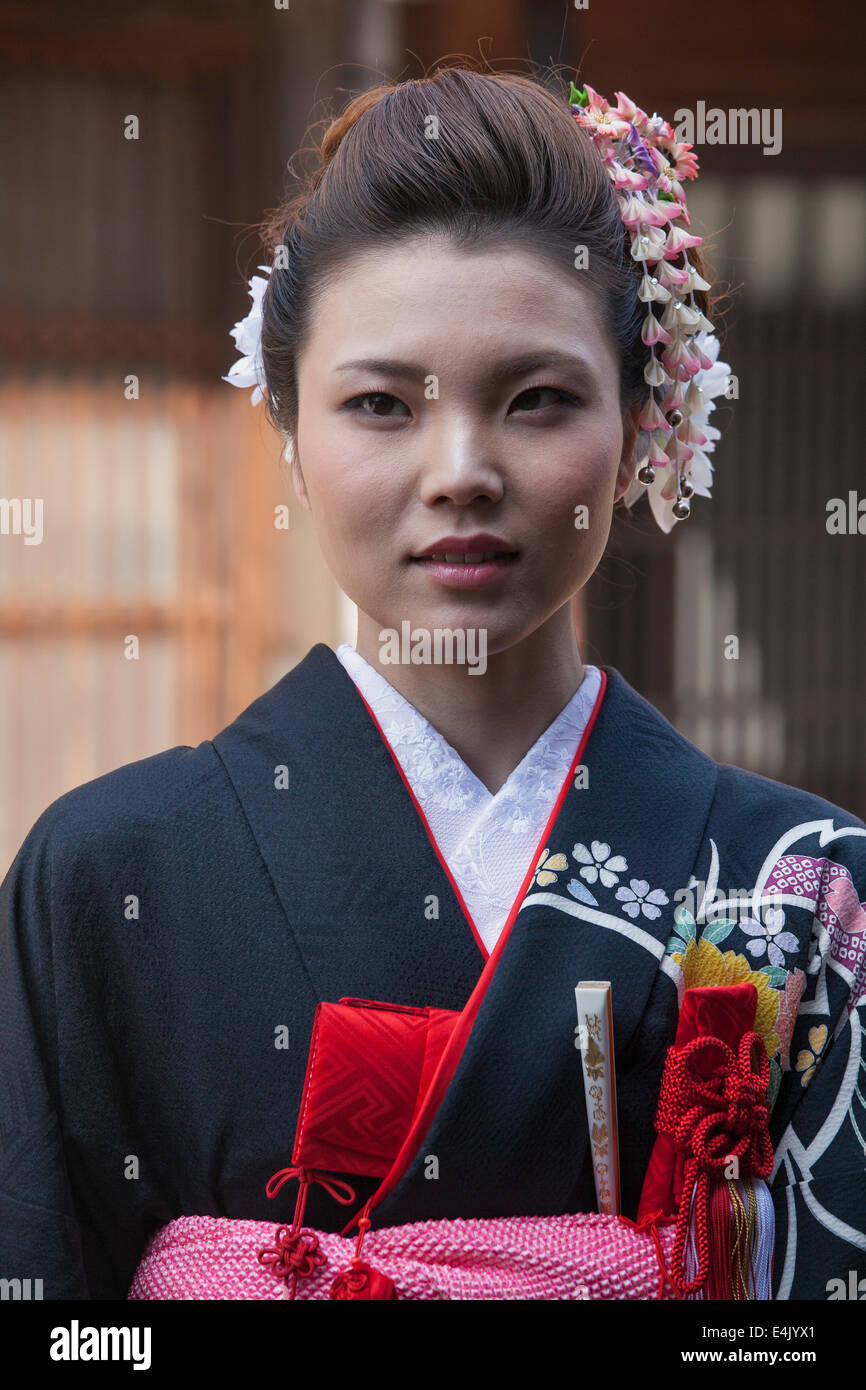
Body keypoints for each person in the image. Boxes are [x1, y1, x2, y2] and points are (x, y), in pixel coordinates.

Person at [1, 64, 864, 1302]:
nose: (460, 469)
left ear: (639, 426)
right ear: (291, 437)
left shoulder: (806, 887)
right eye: (378, 404)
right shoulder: (105, 871)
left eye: (536, 399)